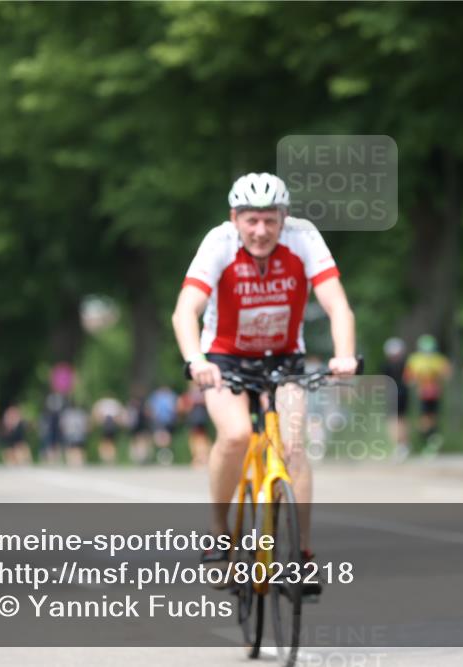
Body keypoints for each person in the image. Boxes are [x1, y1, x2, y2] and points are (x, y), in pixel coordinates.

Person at [171, 172, 357, 597]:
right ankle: (219, 533)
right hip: (224, 357)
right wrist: (195, 360)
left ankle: (303, 556)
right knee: (236, 435)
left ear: (284, 217)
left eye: (270, 220)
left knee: (293, 445)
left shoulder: (304, 238)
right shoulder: (218, 243)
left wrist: (344, 354)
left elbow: (338, 305)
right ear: (234, 218)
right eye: (251, 220)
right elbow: (186, 311)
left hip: (282, 358)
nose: (260, 231)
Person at [404, 333, 451, 454]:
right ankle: (432, 440)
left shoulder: (417, 359)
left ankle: (431, 441)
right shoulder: (436, 359)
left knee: (426, 420)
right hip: (430, 394)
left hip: (428, 394)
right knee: (429, 419)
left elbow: (408, 378)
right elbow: (447, 373)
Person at [380, 338, 411, 460]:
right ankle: (401, 445)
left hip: (397, 394)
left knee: (396, 420)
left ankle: (401, 445)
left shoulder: (390, 365)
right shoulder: (404, 364)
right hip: (397, 393)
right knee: (398, 419)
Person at [179, 382, 211, 467]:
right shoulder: (204, 394)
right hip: (201, 419)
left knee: (196, 439)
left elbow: (181, 407)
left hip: (195, 420)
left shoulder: (189, 396)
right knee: (201, 439)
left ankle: (200, 458)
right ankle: (202, 458)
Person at [146, 386, 178, 465]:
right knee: (163, 437)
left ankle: (164, 451)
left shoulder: (157, 396)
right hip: (163, 420)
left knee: (162, 437)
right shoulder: (170, 396)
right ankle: (164, 451)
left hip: (163, 420)